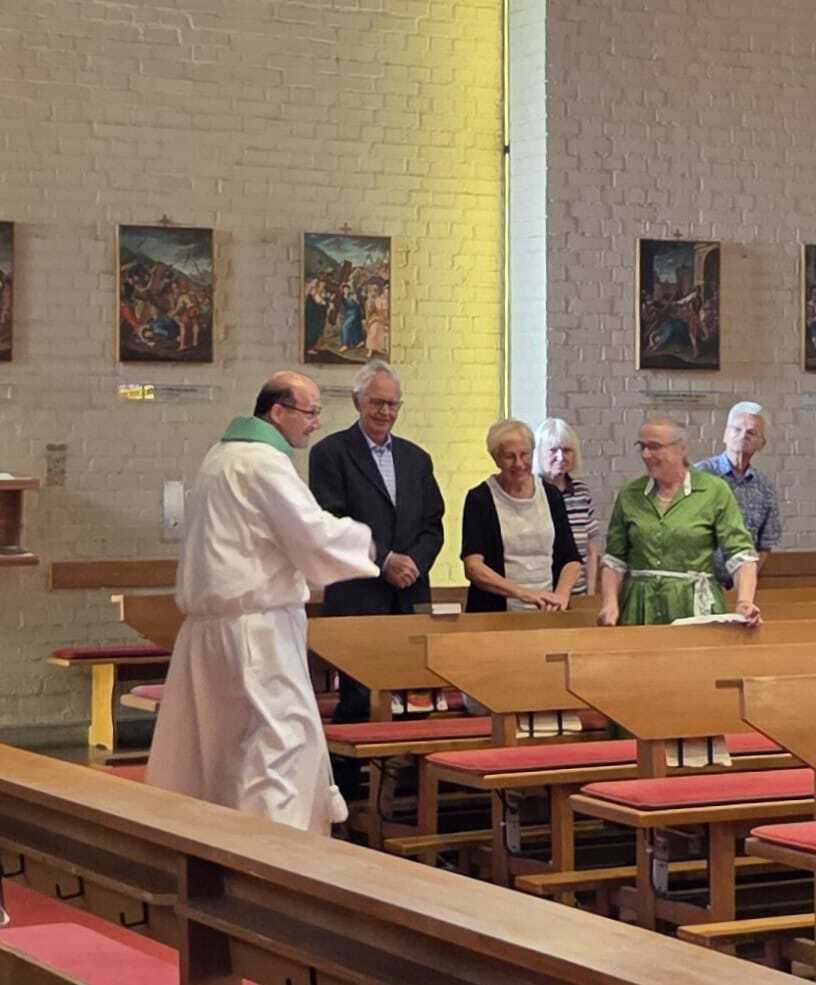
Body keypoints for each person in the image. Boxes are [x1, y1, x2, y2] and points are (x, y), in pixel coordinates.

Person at [146, 371, 379, 835]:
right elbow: (310, 532)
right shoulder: (263, 462)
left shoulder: (219, 457)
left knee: (224, 748)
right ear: (277, 411)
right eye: (310, 412)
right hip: (257, 630)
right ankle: (275, 853)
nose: (316, 423)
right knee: (280, 743)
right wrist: (365, 542)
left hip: (213, 630)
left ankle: (222, 843)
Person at [309, 360, 445, 724]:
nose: (386, 412)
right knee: (359, 705)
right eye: (377, 403)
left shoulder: (417, 459)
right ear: (357, 401)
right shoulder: (330, 454)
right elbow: (333, 521)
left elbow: (433, 524)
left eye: (392, 404)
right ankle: (344, 765)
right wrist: (385, 561)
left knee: (414, 703)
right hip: (358, 596)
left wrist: (413, 564)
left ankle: (412, 764)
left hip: (410, 596)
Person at [597, 417, 761, 627]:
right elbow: (614, 560)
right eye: (642, 446)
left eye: (654, 447)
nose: (645, 454)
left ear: (682, 449)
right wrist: (609, 603)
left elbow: (740, 554)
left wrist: (744, 601)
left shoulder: (714, 491)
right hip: (640, 606)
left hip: (693, 605)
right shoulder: (630, 494)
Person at [461, 419, 581, 612]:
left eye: (524, 454)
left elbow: (571, 559)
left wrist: (560, 596)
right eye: (509, 456)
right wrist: (524, 593)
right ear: (496, 459)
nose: (519, 463)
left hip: (546, 611)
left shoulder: (551, 495)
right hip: (495, 613)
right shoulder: (480, 499)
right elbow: (473, 566)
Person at [694, 401, 782, 586]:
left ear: (762, 443)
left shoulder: (765, 487)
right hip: (697, 585)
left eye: (751, 432)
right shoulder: (699, 475)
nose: (743, 436)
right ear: (725, 434)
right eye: (737, 429)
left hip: (739, 589)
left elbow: (765, 545)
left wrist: (743, 584)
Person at [533, 417, 600, 595]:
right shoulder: (531, 492)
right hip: (541, 594)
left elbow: (591, 548)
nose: (561, 457)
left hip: (578, 591)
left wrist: (590, 592)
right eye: (553, 450)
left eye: (566, 450)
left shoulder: (581, 492)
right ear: (539, 453)